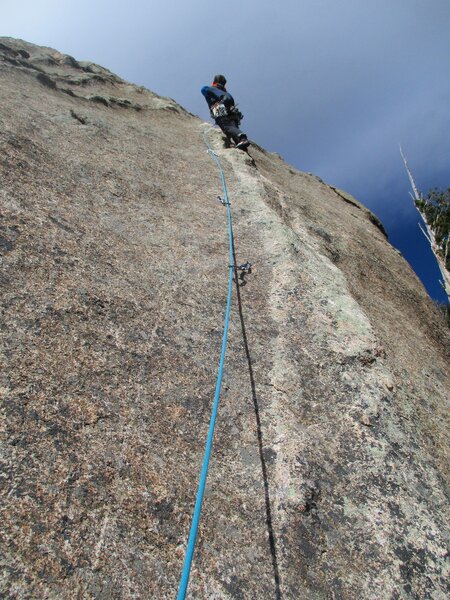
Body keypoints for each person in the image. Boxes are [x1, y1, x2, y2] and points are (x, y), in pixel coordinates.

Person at [201, 75, 250, 150]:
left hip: (219, 107)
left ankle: (242, 138)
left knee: (226, 126)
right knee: (232, 128)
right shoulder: (226, 93)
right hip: (233, 113)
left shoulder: (210, 89)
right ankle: (241, 145)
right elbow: (229, 100)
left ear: (214, 82)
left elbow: (203, 90)